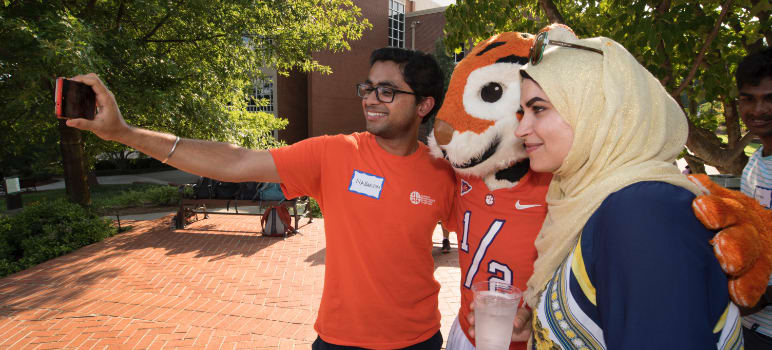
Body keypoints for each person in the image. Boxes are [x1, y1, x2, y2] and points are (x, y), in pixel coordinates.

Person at [66, 47, 456, 349]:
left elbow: (485, 241)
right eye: (368, 88)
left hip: (418, 340)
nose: (371, 99)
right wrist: (124, 132)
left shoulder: (445, 172)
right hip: (342, 341)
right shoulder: (337, 154)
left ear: (424, 104)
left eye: (387, 91)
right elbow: (236, 161)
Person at [513, 34, 743, 348]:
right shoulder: (586, 197)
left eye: (538, 109)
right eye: (521, 112)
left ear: (598, 111)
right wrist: (547, 328)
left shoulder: (644, 212)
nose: (520, 129)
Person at [735, 46, 772, 349]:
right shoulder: (754, 165)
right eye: (749, 98)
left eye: (769, 98)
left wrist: (761, 297)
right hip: (749, 327)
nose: (758, 110)